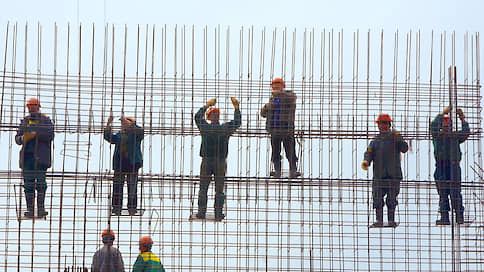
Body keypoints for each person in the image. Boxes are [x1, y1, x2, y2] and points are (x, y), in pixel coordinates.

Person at [194, 97, 241, 220]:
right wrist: (205, 106)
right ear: (209, 117)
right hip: (208, 160)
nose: (215, 116)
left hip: (218, 161)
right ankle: (202, 212)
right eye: (212, 114)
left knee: (218, 189)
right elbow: (197, 117)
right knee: (204, 188)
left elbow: (237, 122)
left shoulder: (223, 128)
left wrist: (237, 109)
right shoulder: (208, 127)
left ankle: (217, 213)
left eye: (216, 114)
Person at [362, 114, 408, 227]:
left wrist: (400, 138)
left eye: (385, 123)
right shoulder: (375, 140)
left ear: (389, 125)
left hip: (393, 174)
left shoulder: (395, 138)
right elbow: (369, 153)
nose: (383, 126)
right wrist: (366, 161)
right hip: (379, 175)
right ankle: (379, 220)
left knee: (392, 199)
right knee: (377, 197)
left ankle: (391, 221)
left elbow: (404, 149)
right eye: (381, 124)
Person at [15, 98, 54, 218]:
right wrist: (23, 138)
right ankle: (30, 210)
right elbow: (17, 138)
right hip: (27, 159)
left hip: (41, 159)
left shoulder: (46, 121)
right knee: (28, 185)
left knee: (41, 184)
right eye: (29, 107)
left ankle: (41, 209)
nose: (31, 109)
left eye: (33, 106)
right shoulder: (25, 121)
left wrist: (35, 133)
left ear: (38, 107)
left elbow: (50, 135)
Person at [431, 107, 470, 225]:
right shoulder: (438, 135)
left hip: (453, 166)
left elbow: (466, 132)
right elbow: (433, 126)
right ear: (442, 126)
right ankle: (445, 217)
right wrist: (443, 114)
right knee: (442, 193)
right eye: (445, 125)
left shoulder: (455, 136)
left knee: (455, 192)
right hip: (441, 167)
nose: (446, 127)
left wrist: (462, 119)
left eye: (448, 125)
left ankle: (459, 216)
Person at [260, 78, 301, 178]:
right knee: (275, 151)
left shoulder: (289, 96)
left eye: (278, 86)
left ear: (283, 86)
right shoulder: (272, 100)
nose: (275, 88)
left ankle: (293, 170)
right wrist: (268, 106)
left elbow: (291, 98)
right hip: (274, 128)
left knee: (290, 150)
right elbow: (263, 114)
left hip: (286, 128)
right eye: (274, 86)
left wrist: (277, 96)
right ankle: (277, 171)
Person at [104, 116, 144, 216]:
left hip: (132, 163)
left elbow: (140, 133)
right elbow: (109, 138)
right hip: (120, 163)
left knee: (132, 187)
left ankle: (132, 208)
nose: (123, 125)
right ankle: (116, 208)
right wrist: (108, 125)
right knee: (117, 186)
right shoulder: (120, 135)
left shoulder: (136, 133)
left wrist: (130, 125)